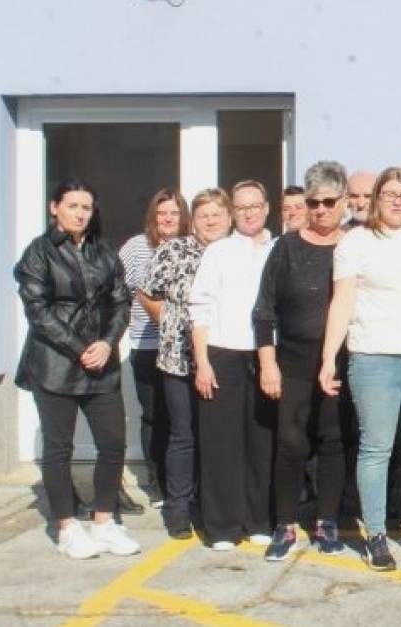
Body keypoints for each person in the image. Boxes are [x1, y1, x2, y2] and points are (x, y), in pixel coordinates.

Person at [320, 167, 401, 571]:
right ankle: (375, 533)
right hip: (373, 357)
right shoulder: (355, 242)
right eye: (389, 194)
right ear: (376, 199)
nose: (396, 202)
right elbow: (342, 301)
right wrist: (328, 357)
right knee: (376, 449)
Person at [14, 178, 139, 559]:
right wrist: (80, 347)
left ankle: (104, 522)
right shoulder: (38, 253)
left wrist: (107, 342)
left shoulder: (104, 250)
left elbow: (121, 302)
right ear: (55, 208)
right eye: (72, 206)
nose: (80, 213)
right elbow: (38, 311)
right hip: (54, 364)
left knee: (113, 442)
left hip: (101, 363)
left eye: (86, 207)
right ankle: (67, 527)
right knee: (58, 448)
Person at [254, 162, 351, 561]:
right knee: (291, 443)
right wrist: (268, 363)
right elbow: (264, 310)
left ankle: (327, 522)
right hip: (292, 361)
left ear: (344, 201)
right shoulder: (286, 247)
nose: (321, 209)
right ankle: (286, 524)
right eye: (313, 202)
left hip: (342, 362)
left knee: (333, 440)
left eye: (329, 202)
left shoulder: (355, 245)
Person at [188, 179, 277, 551]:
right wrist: (202, 362)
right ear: (232, 213)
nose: (249, 213)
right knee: (221, 443)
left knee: (262, 442)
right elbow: (199, 307)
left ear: (266, 208)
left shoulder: (279, 248)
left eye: (255, 206)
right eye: (241, 208)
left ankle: (259, 520)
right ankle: (223, 526)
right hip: (223, 354)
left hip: (267, 355)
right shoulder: (219, 251)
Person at [143, 188, 232, 539]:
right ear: (193, 220)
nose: (210, 221)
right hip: (179, 359)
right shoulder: (174, 250)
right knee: (183, 435)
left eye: (216, 214)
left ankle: (212, 507)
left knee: (216, 438)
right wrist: (169, 321)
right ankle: (178, 510)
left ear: (228, 218)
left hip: (224, 359)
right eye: (203, 215)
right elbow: (147, 292)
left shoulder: (235, 252)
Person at [119, 188, 189, 511]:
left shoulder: (192, 246)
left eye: (174, 212)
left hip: (184, 347)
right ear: (153, 216)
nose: (168, 218)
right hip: (147, 345)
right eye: (162, 213)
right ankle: (158, 483)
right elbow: (117, 291)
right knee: (153, 416)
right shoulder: (136, 247)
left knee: (181, 417)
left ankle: (183, 481)